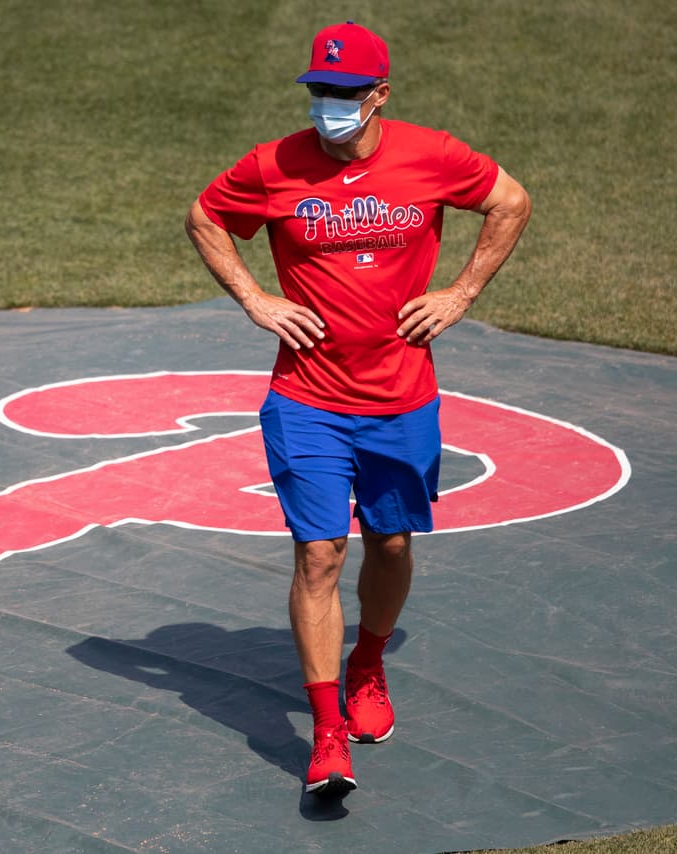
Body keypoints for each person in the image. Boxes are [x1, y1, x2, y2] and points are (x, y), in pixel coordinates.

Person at [185, 20, 531, 796]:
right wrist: (255, 299)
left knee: (392, 543)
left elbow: (511, 202)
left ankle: (367, 664)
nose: (328, 104)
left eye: (344, 92)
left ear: (379, 96)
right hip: (305, 397)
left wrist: (461, 292)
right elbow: (205, 217)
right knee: (318, 554)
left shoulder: (431, 155)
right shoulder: (274, 165)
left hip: (401, 397)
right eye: (319, 89)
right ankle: (326, 733)